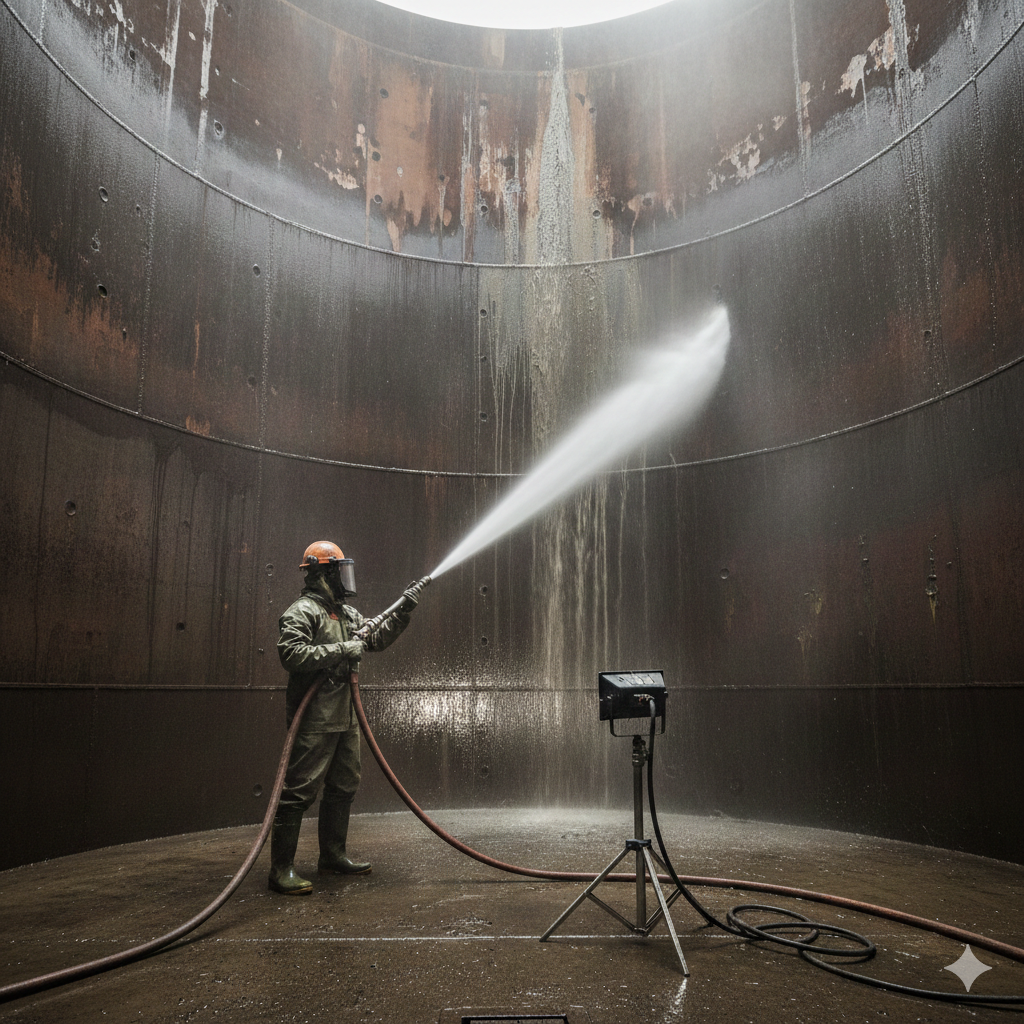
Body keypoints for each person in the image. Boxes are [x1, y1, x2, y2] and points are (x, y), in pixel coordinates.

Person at [269, 540, 417, 895]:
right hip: (316, 718)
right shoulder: (302, 612)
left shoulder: (346, 613)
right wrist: (341, 649)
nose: (346, 578)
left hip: (346, 717)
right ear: (323, 572)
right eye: (340, 570)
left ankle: (332, 856)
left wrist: (404, 613)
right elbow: (291, 654)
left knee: (344, 786)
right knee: (299, 793)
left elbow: (375, 638)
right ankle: (281, 870)